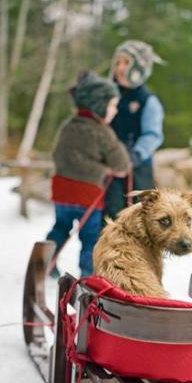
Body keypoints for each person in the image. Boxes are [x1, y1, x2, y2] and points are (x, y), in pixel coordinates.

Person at [46, 71, 130, 278]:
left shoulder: (68, 126)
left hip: (62, 191)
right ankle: (88, 275)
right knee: (90, 236)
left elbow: (58, 154)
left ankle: (45, 262)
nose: (115, 110)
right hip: (87, 194)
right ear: (99, 105)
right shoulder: (102, 132)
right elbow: (121, 164)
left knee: (61, 227)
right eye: (112, 105)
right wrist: (106, 170)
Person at [104, 40, 165, 219]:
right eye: (118, 63)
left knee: (133, 217)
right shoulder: (108, 95)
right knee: (105, 219)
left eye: (126, 63)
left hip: (135, 170)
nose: (120, 68)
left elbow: (153, 135)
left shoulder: (147, 101)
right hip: (107, 167)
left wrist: (136, 155)